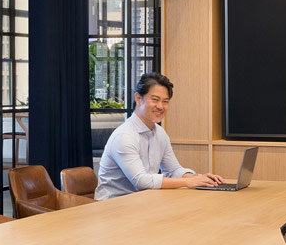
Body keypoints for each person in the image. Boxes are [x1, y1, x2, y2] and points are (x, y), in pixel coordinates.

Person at [94, 72, 224, 199]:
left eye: (165, 101)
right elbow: (142, 181)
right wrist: (187, 182)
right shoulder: (124, 136)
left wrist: (197, 178)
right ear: (138, 98)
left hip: (143, 202)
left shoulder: (160, 133)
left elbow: (173, 170)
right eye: (155, 100)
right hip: (114, 206)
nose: (160, 106)